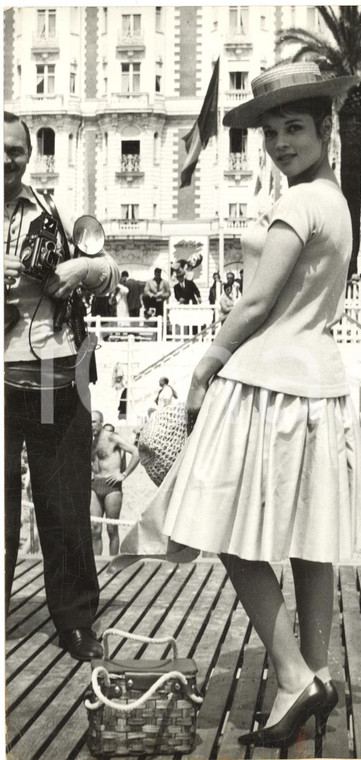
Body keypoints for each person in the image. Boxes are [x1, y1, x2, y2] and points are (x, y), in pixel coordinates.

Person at [113, 61, 361, 748]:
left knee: (226, 531)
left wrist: (205, 364)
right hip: (319, 379)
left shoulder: (296, 205)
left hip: (269, 378)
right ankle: (313, 673)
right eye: (270, 131)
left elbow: (258, 301)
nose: (282, 142)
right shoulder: (335, 201)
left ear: (326, 127)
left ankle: (292, 672)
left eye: (295, 127)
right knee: (313, 540)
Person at [4, 110, 119, 660]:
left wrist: (79, 272)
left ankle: (75, 621)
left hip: (52, 376)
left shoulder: (52, 209)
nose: (7, 158)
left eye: (15, 150)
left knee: (65, 503)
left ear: (28, 156)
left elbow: (111, 269)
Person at [90, 411, 140, 556]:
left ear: (101, 422)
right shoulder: (90, 440)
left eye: (94, 422)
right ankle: (96, 565)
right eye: (89, 422)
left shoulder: (112, 438)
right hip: (94, 485)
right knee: (94, 528)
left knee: (112, 529)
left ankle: (112, 564)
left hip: (111, 486)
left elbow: (136, 452)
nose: (91, 425)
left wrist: (123, 474)